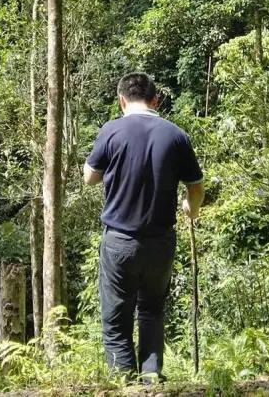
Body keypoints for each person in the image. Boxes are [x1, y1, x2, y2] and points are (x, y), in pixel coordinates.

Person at [84, 72, 205, 383]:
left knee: (116, 321)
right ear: (156, 100)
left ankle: (124, 382)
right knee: (151, 311)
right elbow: (196, 184)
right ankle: (151, 379)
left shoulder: (111, 130)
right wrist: (191, 209)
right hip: (161, 242)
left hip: (120, 241)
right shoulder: (176, 135)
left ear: (121, 100)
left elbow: (90, 177)